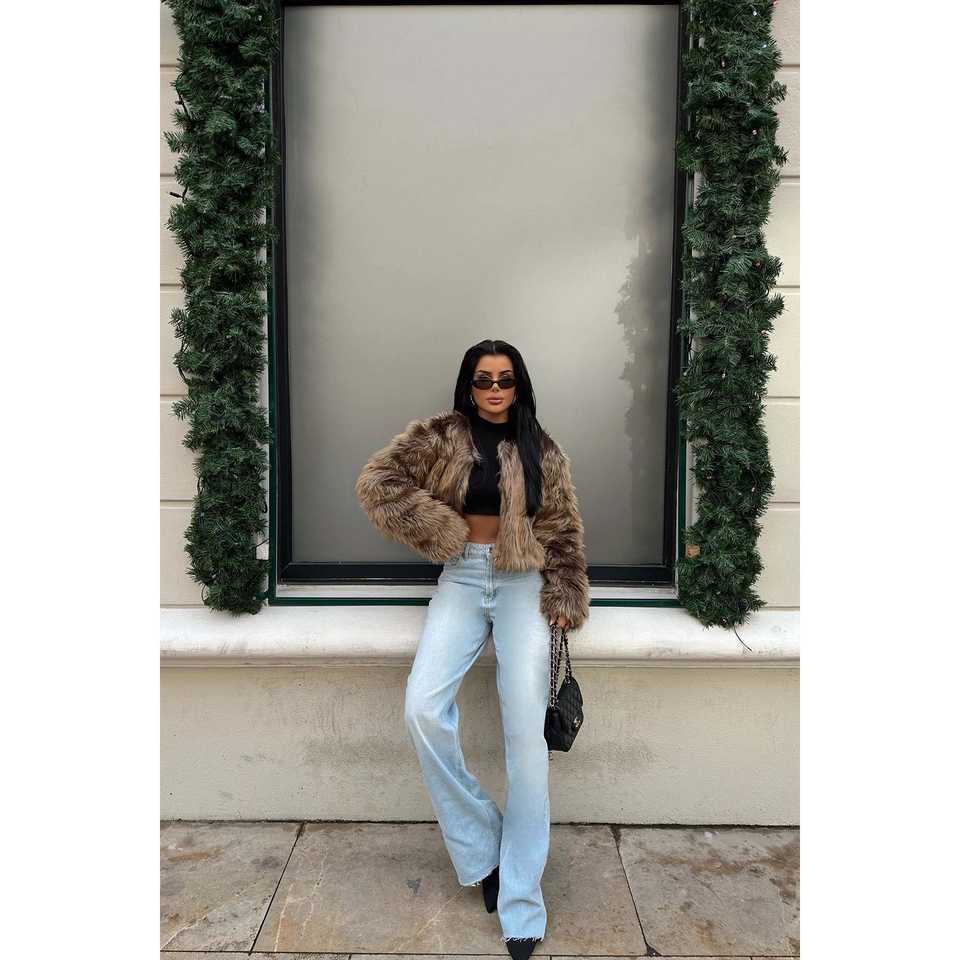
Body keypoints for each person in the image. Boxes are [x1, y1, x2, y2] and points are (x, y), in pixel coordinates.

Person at [355, 339, 589, 959]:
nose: (494, 390)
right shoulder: (440, 436)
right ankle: (485, 848)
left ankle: (522, 901)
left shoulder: (541, 447)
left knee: (526, 742)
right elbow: (378, 483)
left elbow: (561, 527)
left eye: (505, 380)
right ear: (469, 384)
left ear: (519, 386)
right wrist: (440, 529)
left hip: (523, 584)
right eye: (484, 379)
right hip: (461, 578)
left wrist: (565, 590)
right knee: (422, 708)